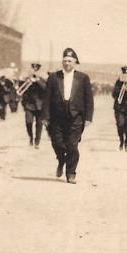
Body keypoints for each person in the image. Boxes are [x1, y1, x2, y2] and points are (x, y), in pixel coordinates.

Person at [42, 47, 93, 184]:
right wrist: (45, 116)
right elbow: (47, 98)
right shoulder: (53, 77)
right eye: (64, 61)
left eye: (69, 61)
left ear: (75, 62)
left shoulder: (83, 78)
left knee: (72, 145)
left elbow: (89, 99)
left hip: (76, 118)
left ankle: (71, 173)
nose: (66, 63)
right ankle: (61, 160)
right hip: (57, 117)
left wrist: (88, 117)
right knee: (57, 143)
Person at [20, 62, 47, 148]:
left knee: (39, 124)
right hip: (29, 104)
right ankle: (30, 137)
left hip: (40, 105)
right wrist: (28, 80)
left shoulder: (43, 78)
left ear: (39, 68)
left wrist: (38, 80)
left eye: (36, 67)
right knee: (28, 122)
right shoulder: (28, 78)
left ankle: (37, 141)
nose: (35, 69)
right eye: (33, 67)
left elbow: (45, 88)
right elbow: (22, 89)